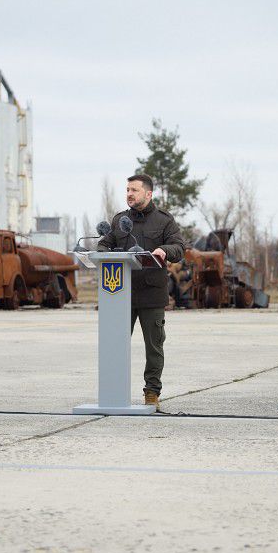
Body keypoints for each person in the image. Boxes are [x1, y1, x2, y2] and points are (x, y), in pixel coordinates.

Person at [97, 174, 186, 409]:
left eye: (134, 190)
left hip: (151, 294)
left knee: (154, 347)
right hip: (118, 294)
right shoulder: (119, 220)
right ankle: (113, 391)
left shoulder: (164, 221)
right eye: (127, 190)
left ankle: (151, 393)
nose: (129, 194)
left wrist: (164, 250)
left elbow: (179, 248)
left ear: (148, 194)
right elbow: (105, 244)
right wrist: (102, 251)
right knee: (114, 344)